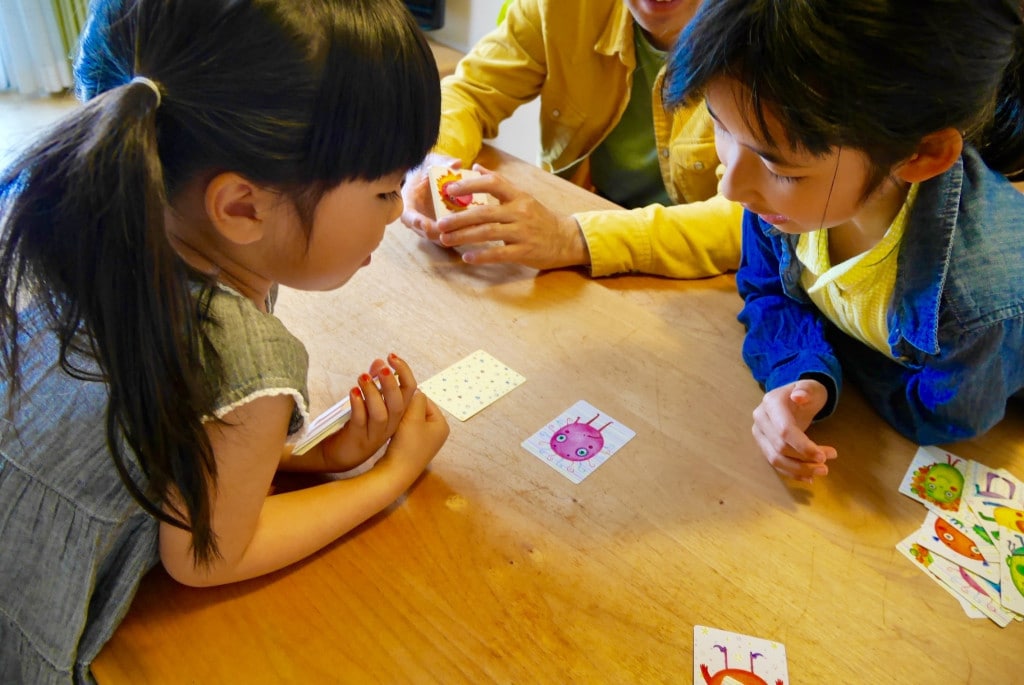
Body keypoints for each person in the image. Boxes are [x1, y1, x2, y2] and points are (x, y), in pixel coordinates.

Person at [0, 0, 449, 680]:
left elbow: (170, 432)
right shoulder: (244, 349)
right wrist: (389, 476)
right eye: (386, 193)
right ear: (242, 206)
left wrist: (306, 459)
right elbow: (208, 555)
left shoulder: (96, 214)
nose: (394, 213)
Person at [663, 0, 1024, 482]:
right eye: (719, 124)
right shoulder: (779, 199)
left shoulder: (982, 301)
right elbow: (764, 287)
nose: (731, 185)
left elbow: (944, 419)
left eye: (778, 168)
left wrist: (829, 367)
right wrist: (802, 372)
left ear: (922, 154)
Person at [401, 0, 743, 278]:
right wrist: (432, 162)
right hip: (572, 258)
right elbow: (469, 93)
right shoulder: (559, 7)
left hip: (702, 285)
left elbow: (752, 221)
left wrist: (572, 237)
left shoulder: (768, 28)